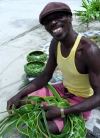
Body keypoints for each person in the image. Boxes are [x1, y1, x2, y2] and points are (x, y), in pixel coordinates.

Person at [7, 2, 100, 134]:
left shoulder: (89, 51)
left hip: (80, 100)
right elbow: (45, 75)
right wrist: (18, 94)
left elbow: (99, 96)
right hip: (62, 90)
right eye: (48, 21)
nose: (53, 23)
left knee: (46, 127)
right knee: (22, 104)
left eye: (58, 17)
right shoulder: (55, 43)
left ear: (70, 17)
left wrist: (62, 111)